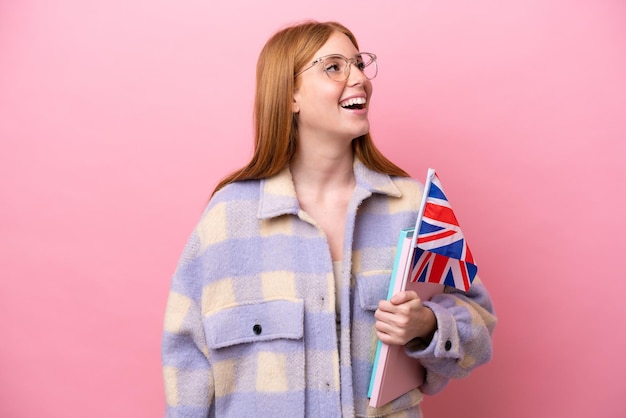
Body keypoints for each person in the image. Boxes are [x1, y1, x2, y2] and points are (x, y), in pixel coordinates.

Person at [161, 20, 496, 417]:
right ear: (290, 96)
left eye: (359, 63)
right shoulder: (227, 219)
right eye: (334, 67)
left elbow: (480, 329)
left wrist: (426, 324)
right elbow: (187, 363)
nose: (359, 78)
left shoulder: (413, 206)